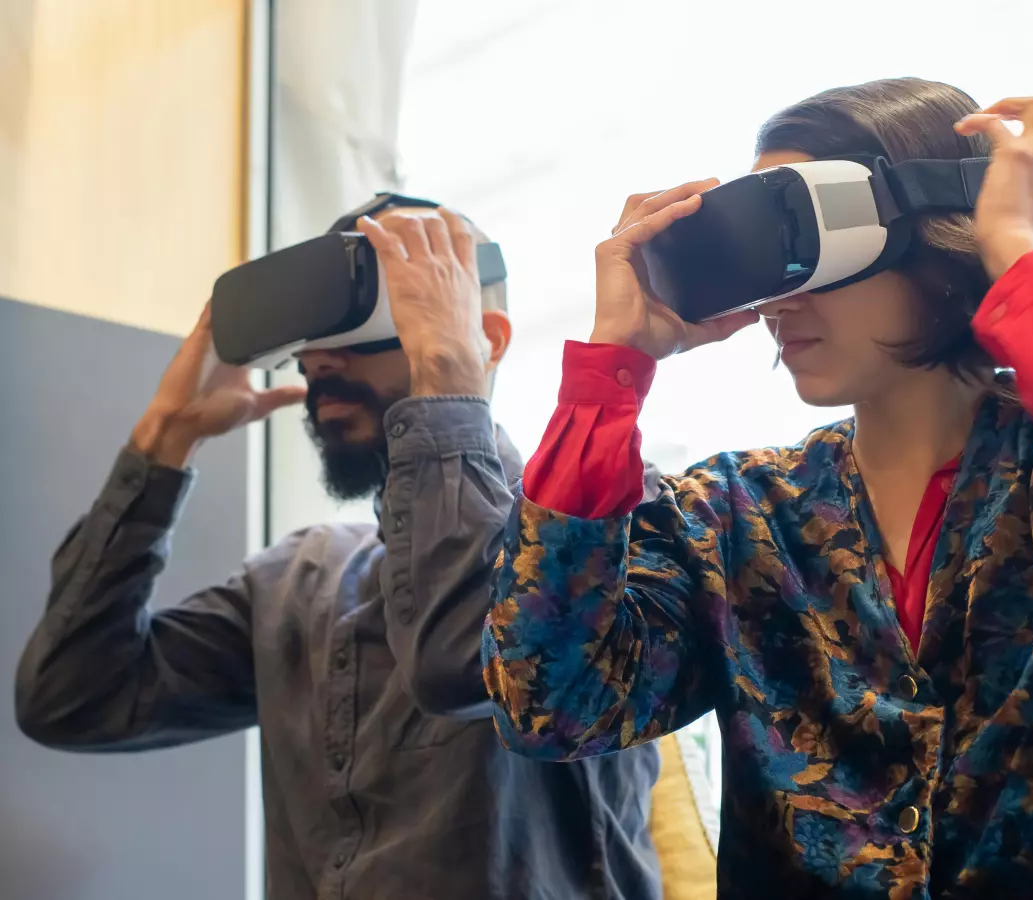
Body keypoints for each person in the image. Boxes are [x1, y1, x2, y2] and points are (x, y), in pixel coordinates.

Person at [481, 78, 1033, 898]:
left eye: (804, 244)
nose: (780, 297)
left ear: (935, 235)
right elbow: (548, 700)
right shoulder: (736, 514)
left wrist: (1019, 260)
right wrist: (614, 368)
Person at [14, 202, 662, 900]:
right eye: (314, 334)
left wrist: (447, 370)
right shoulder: (297, 584)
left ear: (486, 340)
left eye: (365, 325)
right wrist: (163, 441)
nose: (321, 359)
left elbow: (470, 663)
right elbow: (71, 698)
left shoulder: (606, 527)